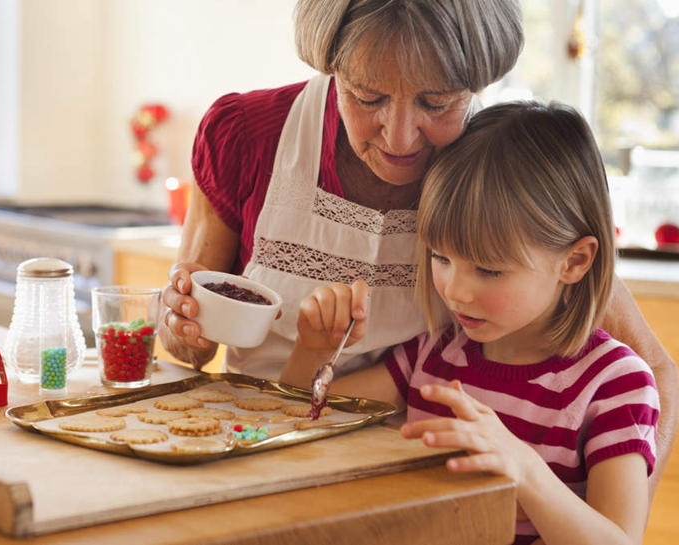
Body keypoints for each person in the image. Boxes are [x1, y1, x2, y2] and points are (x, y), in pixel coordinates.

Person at [158, 0, 678, 499]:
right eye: (367, 97)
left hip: (414, 489)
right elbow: (193, 346)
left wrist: (610, 523)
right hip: (253, 455)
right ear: (333, 67)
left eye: (436, 102)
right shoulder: (248, 135)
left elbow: (654, 371)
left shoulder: (501, 174)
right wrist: (183, 323)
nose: (401, 137)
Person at [280, 101, 659, 545]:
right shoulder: (435, 357)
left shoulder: (613, 385)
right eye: (441, 257)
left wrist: (523, 468)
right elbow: (301, 419)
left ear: (574, 261)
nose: (456, 291)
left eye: (490, 270)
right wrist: (314, 352)